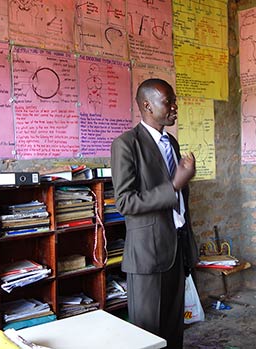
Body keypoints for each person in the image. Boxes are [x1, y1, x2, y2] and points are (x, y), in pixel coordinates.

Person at [110, 78, 198, 348]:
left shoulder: (170, 142)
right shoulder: (126, 144)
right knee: (147, 335)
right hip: (148, 254)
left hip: (176, 247)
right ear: (147, 105)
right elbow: (125, 202)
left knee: (174, 330)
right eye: (168, 101)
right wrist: (174, 185)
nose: (174, 107)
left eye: (174, 101)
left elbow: (179, 198)